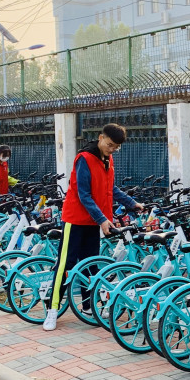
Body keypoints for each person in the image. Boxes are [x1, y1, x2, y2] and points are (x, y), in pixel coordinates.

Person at [44, 123, 143, 331]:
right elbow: (84, 194)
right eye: (110, 144)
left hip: (93, 221)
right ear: (100, 138)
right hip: (75, 219)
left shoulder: (107, 159)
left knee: (91, 266)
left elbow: (110, 188)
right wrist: (102, 219)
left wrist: (131, 203)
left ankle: (89, 306)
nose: (112, 149)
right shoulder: (84, 159)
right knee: (65, 265)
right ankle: (52, 310)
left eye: (116, 147)